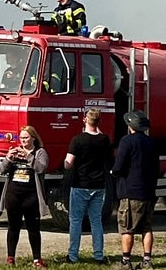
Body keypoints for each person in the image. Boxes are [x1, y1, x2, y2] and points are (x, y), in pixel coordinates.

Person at [63, 107, 113, 265]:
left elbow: (68, 164)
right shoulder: (104, 139)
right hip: (98, 185)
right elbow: (109, 159)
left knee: (76, 220)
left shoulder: (77, 140)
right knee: (96, 221)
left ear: (85, 120)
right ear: (99, 121)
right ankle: (98, 255)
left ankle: (73, 256)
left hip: (80, 184)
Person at [111, 110, 159, 270]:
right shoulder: (151, 142)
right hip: (149, 191)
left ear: (130, 126)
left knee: (127, 228)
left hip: (131, 191)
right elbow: (156, 167)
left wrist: (114, 172)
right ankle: (147, 260)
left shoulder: (127, 141)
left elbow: (119, 165)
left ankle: (126, 261)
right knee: (146, 227)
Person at [0, 125, 49, 268]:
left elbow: (41, 168)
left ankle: (37, 259)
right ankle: (10, 257)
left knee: (33, 228)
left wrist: (28, 156)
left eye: (26, 138)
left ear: (33, 138)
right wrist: (9, 158)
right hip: (14, 195)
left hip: (31, 196)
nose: (23, 141)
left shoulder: (40, 152)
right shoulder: (14, 151)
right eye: (21, 138)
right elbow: (2, 170)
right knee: (13, 226)